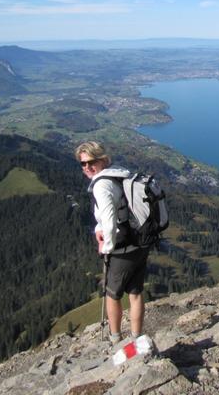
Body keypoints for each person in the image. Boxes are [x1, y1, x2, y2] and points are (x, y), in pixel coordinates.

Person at [75, 141, 149, 344]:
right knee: (135, 292)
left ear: (102, 160)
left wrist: (105, 247)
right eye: (83, 164)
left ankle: (116, 341)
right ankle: (137, 340)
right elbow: (119, 210)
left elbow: (109, 222)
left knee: (112, 294)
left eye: (92, 162)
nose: (87, 167)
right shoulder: (119, 173)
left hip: (122, 247)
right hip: (141, 240)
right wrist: (98, 229)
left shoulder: (101, 185)